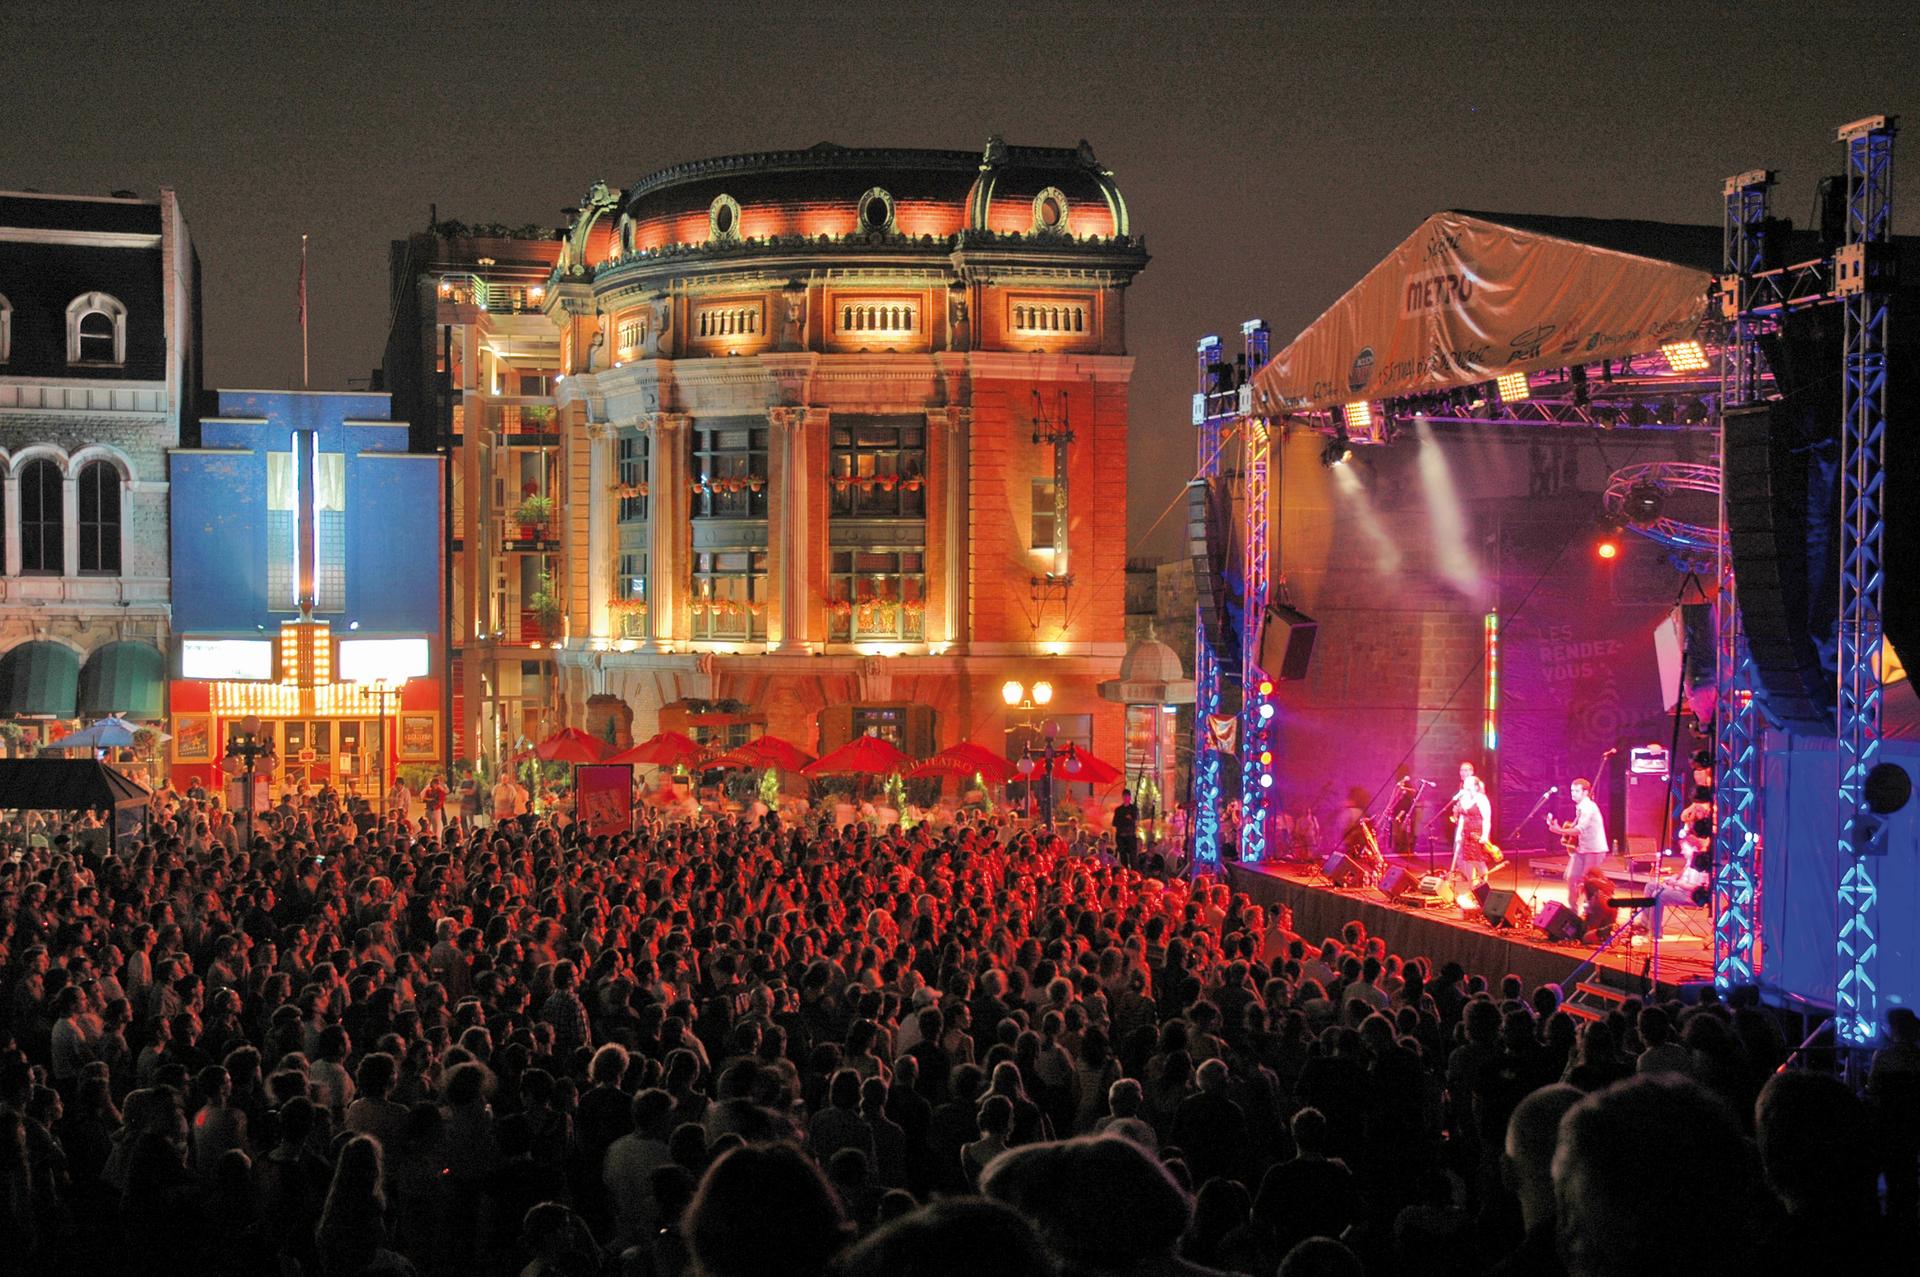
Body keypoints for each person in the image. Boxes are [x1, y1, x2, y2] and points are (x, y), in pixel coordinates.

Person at [1549, 778, 1609, 917]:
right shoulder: (1580, 807)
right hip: (1582, 849)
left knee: (1588, 883)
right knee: (1571, 878)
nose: (1573, 793)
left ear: (1586, 792)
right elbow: (1575, 828)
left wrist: (1559, 831)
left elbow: (1579, 829)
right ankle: (1573, 912)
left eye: (1576, 791)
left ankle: (1592, 914)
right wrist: (1563, 832)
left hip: (1594, 849)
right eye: (1571, 790)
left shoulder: (1589, 807)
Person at [1446, 764, 1493, 886]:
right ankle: (1470, 886)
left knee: (1479, 860)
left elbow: (1487, 818)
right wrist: (1458, 833)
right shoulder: (1464, 798)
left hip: (1477, 832)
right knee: (1466, 860)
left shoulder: (1481, 798)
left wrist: (1485, 835)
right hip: (1465, 831)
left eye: (1469, 784)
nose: (1466, 786)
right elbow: (1462, 816)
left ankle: (1483, 886)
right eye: (1465, 784)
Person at [1113, 789, 1140, 871]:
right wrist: (1125, 819)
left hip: (1130, 836)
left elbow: (1134, 820)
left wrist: (1127, 819)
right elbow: (1115, 822)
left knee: (1133, 858)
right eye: (1124, 796)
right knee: (1123, 857)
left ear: (1130, 797)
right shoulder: (1118, 810)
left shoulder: (1133, 809)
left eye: (1127, 796)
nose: (1126, 798)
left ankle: (1134, 873)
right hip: (1121, 836)